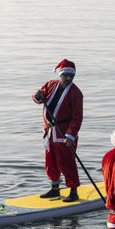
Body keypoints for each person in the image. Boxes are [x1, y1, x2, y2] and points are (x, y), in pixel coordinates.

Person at [32, 59, 83, 202]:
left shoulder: (76, 93)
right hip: (50, 132)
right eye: (65, 75)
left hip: (64, 134)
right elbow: (38, 98)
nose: (68, 78)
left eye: (71, 76)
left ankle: (73, 191)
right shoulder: (50, 85)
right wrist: (37, 96)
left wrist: (71, 135)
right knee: (51, 161)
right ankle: (55, 189)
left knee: (66, 162)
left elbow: (77, 117)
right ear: (60, 74)